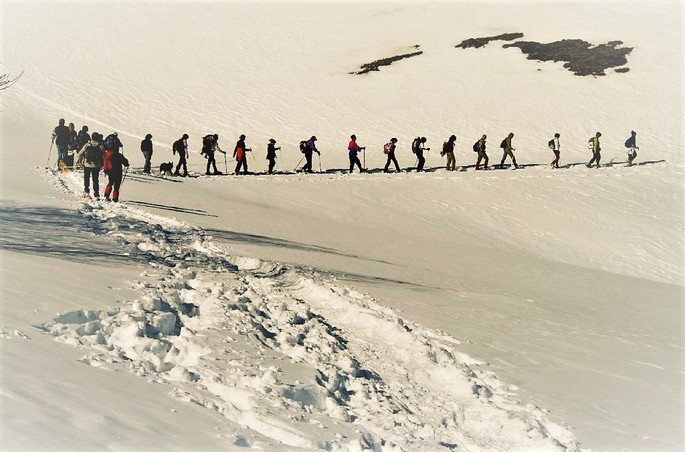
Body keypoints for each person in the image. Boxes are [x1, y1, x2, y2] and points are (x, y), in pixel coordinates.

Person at [76, 132, 104, 199]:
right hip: (96, 165)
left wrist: (80, 161)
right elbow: (103, 156)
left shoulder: (87, 145)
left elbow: (79, 154)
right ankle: (96, 194)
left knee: (86, 178)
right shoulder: (100, 146)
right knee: (95, 180)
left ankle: (86, 191)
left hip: (87, 164)